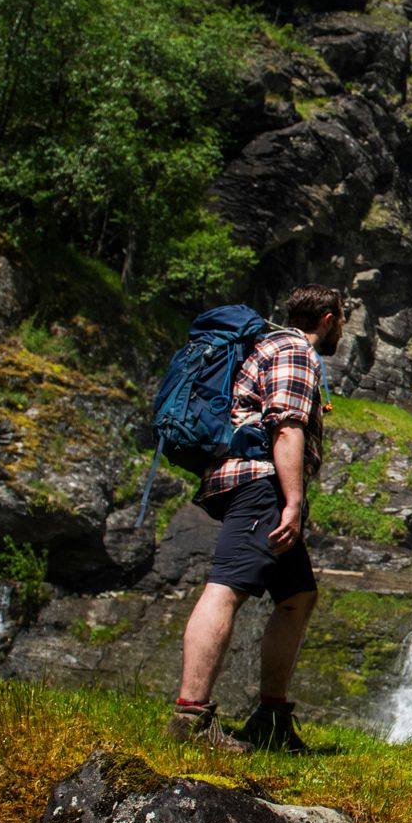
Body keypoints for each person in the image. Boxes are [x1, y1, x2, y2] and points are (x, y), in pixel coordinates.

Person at [165, 285, 345, 753]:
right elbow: (286, 425)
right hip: (260, 484)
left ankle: (271, 717)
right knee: (226, 588)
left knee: (298, 596)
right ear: (328, 318)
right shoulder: (293, 351)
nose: (341, 328)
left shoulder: (268, 347)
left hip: (250, 481)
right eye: (342, 319)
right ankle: (191, 716)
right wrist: (291, 501)